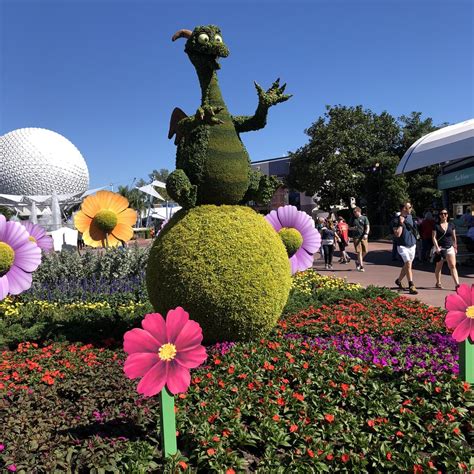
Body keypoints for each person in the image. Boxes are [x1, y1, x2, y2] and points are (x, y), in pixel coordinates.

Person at [393, 202, 418, 295]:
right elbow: (397, 234)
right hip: (402, 246)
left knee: (408, 265)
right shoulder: (395, 220)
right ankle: (411, 285)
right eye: (409, 207)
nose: (411, 209)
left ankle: (398, 281)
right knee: (408, 264)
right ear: (404, 208)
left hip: (412, 245)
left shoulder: (411, 217)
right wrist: (400, 222)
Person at [432, 208, 460, 289]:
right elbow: (433, 237)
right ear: (439, 215)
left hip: (450, 247)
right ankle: (438, 282)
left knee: (452, 266)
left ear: (447, 215)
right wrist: (437, 248)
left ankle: (457, 284)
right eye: (441, 214)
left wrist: (455, 246)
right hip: (440, 248)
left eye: (445, 213)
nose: (443, 215)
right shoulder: (436, 225)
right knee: (439, 266)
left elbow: (454, 237)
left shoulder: (451, 225)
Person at [350, 207, 370, 272]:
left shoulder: (364, 218)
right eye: (353, 212)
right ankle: (361, 266)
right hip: (356, 237)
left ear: (359, 211)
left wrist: (366, 233)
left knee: (366, 251)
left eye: (355, 212)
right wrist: (352, 228)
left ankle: (358, 261)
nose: (354, 213)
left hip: (363, 236)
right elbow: (349, 227)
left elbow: (367, 226)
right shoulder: (353, 219)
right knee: (359, 252)